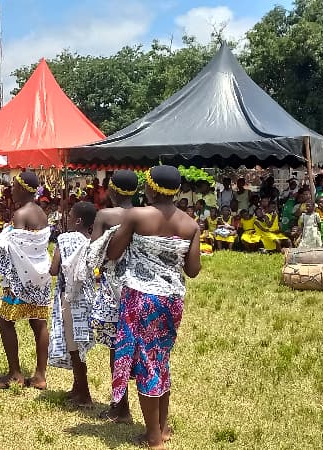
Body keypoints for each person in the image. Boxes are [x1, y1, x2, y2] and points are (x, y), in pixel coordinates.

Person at [105, 165, 201, 450]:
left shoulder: (137, 216)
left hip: (142, 298)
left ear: (151, 189)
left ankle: (153, 438)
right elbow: (193, 270)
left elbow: (113, 253)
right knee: (160, 360)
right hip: (172, 300)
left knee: (146, 364)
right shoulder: (190, 225)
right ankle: (163, 427)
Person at [0, 171, 53, 390]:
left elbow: (13, 252)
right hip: (40, 279)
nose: (12, 190)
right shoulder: (41, 213)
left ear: (24, 189)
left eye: (15, 187)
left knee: (5, 321)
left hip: (20, 281)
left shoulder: (20, 215)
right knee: (39, 322)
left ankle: (15, 373)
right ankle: (40, 375)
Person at [88, 170, 138, 422]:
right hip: (138, 286)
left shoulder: (105, 215)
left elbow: (94, 250)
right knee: (138, 346)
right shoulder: (145, 215)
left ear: (112, 190)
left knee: (116, 348)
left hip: (112, 289)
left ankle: (120, 406)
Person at [49, 201, 97, 404]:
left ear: (77, 221)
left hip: (70, 297)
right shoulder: (92, 241)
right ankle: (77, 387)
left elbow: (54, 270)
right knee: (78, 343)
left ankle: (84, 393)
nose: (66, 220)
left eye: (69, 217)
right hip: (87, 297)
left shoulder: (65, 239)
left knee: (74, 347)